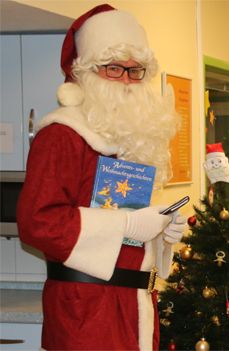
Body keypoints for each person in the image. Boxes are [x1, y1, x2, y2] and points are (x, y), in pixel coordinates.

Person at [16, 4, 187, 350]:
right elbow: (37, 222)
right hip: (86, 311)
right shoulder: (62, 135)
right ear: (86, 72)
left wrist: (159, 231)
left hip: (134, 306)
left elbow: (124, 223)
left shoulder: (130, 137)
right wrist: (125, 225)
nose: (126, 81)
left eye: (135, 71)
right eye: (114, 69)